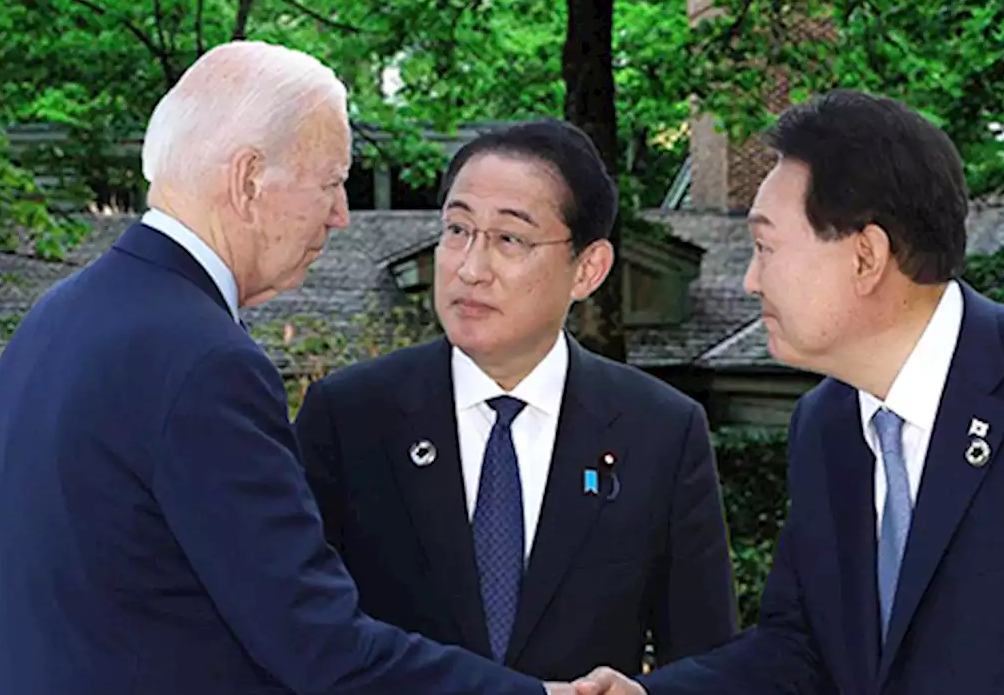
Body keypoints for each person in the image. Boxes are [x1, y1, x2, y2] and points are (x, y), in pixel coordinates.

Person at [0, 40, 573, 695]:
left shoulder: (48, 322)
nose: (341, 215)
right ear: (249, 179)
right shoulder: (205, 361)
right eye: (332, 183)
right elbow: (318, 645)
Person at [573, 89, 1004, 695]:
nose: (749, 279)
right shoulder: (826, 425)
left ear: (867, 256)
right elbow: (802, 649)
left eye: (766, 247)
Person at [292, 119, 739, 683]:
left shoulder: (660, 431)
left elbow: (707, 661)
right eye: (457, 230)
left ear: (589, 268)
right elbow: (301, 629)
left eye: (509, 239)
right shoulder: (350, 415)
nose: (470, 268)